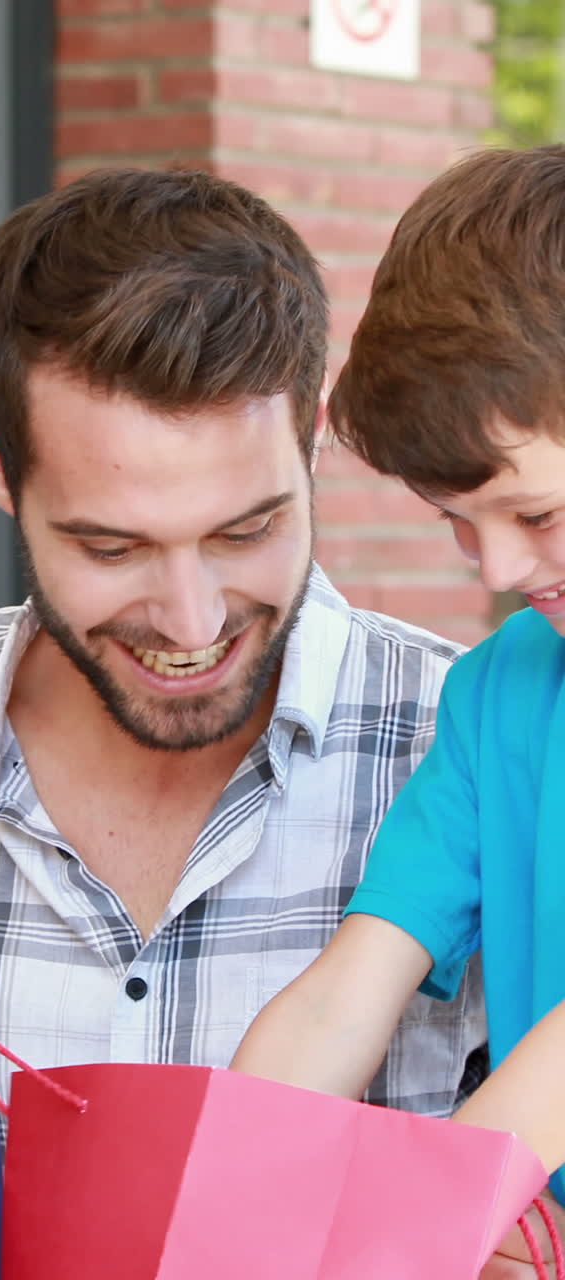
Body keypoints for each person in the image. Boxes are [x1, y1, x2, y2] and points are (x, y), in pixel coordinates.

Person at [0, 167, 485, 1210]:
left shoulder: (478, 751)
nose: (193, 622)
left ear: (312, 437)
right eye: (112, 545)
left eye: (247, 530)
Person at [230, 144, 565, 1275]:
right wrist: (224, 1197)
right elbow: (350, 986)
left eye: (539, 511)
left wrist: (429, 1220)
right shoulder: (502, 692)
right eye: (456, 520)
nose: (502, 566)